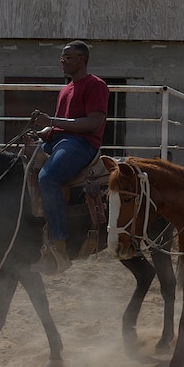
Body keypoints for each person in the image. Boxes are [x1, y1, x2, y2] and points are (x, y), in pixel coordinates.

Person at [28, 40, 109, 273]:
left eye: (68, 58)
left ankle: (59, 243)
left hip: (82, 144)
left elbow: (94, 123)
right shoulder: (66, 89)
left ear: (81, 59)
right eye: (62, 58)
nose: (62, 62)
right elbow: (61, 125)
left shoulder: (96, 85)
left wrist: (52, 122)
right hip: (60, 140)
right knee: (23, 169)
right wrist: (44, 132)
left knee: (48, 177)